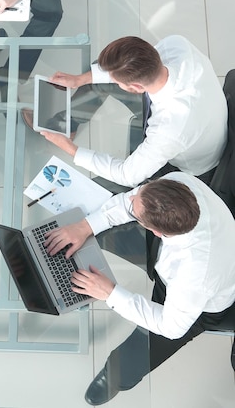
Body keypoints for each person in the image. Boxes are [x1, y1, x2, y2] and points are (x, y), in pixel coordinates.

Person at [44, 173, 235, 404]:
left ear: (155, 231)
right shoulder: (182, 183)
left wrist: (110, 293)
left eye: (135, 209)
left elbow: (171, 327)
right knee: (98, 227)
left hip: (201, 307)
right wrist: (86, 226)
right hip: (168, 259)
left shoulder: (195, 274)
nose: (130, 197)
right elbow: (128, 202)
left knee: (133, 358)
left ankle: (115, 379)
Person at [31, 35, 227, 188]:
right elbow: (125, 69)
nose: (114, 81)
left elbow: (128, 175)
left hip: (194, 167)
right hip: (198, 124)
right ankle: (67, 124)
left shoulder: (170, 128)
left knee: (111, 188)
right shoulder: (176, 46)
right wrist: (80, 79)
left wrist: (69, 149)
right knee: (96, 78)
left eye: (118, 82)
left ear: (134, 87)